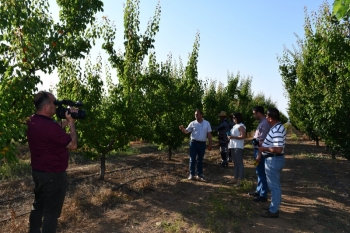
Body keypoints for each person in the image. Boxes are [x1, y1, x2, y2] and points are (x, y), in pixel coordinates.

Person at [27, 91, 78, 233]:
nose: (56, 107)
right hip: (53, 175)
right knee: (51, 214)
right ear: (47, 107)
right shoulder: (50, 127)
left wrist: (66, 121)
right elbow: (73, 145)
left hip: (38, 173)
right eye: (54, 103)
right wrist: (72, 124)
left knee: (38, 207)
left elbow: (50, 130)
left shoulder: (32, 120)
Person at [256, 108, 286, 218]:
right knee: (275, 185)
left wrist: (264, 148)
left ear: (270, 118)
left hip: (273, 159)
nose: (267, 119)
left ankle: (273, 211)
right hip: (273, 159)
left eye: (267, 117)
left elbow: (278, 149)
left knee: (274, 186)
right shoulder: (277, 127)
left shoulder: (277, 129)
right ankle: (274, 206)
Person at [179, 109, 212, 181]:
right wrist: (182, 129)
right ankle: (192, 174)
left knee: (200, 159)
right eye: (195, 114)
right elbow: (187, 131)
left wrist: (210, 144)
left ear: (201, 115)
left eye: (197, 114)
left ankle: (199, 174)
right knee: (192, 159)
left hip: (202, 143)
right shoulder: (192, 123)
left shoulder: (207, 123)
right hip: (193, 143)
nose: (196, 116)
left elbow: (209, 134)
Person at [249, 106, 271, 202]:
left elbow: (262, 140)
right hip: (258, 150)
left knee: (262, 172)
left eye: (254, 113)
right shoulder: (262, 123)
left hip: (260, 151)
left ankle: (263, 194)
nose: (253, 115)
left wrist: (258, 153)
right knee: (259, 171)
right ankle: (259, 190)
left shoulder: (265, 124)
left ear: (259, 113)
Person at [227, 112, 246, 186]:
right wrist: (229, 136)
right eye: (233, 117)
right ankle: (235, 178)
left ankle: (241, 180)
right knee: (235, 163)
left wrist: (233, 137)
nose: (233, 119)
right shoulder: (235, 126)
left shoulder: (241, 126)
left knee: (239, 163)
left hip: (238, 146)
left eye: (234, 117)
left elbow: (243, 136)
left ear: (238, 118)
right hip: (233, 146)